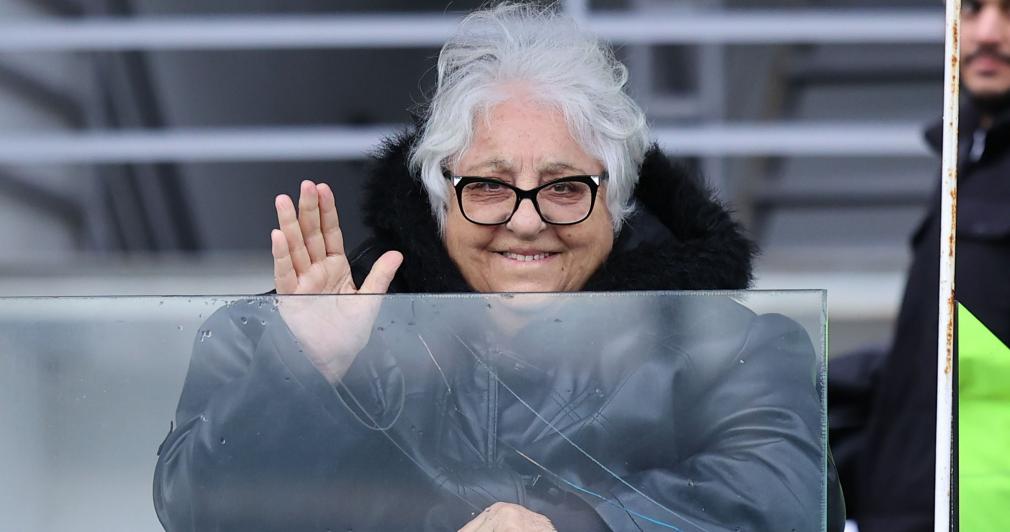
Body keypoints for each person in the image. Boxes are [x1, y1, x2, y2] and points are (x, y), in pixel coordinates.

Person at [153, 4, 843, 530]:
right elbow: (195, 507)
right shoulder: (287, 331)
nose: (526, 219)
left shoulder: (731, 350)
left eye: (565, 187)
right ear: (438, 197)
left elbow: (787, 499)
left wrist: (574, 527)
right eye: (488, 185)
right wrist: (303, 367)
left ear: (617, 203)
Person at [850, 1, 1010, 530]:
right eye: (974, 8)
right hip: (911, 500)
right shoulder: (963, 151)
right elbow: (936, 356)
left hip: (984, 510)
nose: (988, 33)